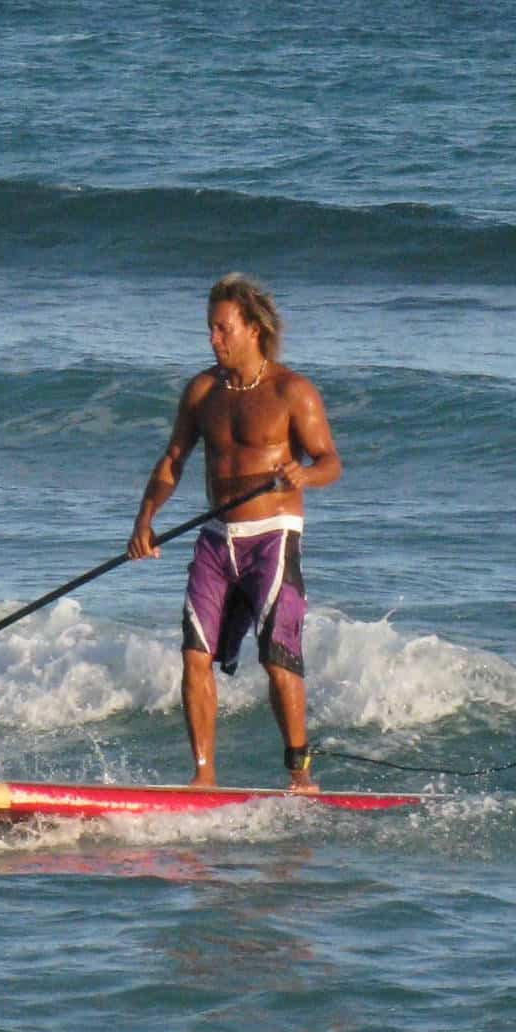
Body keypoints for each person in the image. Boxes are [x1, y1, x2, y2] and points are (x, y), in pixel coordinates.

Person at [128, 275, 341, 792]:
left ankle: (300, 775)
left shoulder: (293, 392)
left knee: (278, 660)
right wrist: (144, 521)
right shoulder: (203, 392)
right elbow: (174, 459)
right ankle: (203, 777)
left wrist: (305, 475)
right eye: (209, 329)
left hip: (273, 535)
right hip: (216, 537)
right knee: (194, 654)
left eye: (222, 329)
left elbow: (330, 461)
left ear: (252, 329)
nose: (213, 339)